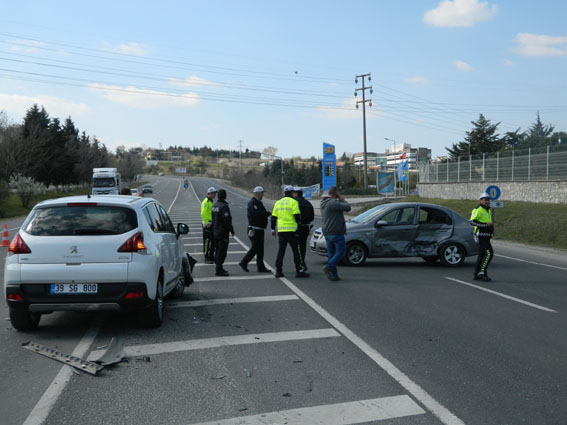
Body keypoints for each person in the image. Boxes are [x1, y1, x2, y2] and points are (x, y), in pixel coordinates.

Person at [271, 186, 309, 278]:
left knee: (281, 251)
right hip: (292, 230)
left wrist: (273, 229)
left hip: (281, 230)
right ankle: (299, 271)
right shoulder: (294, 202)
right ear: (292, 193)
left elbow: (273, 218)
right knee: (297, 251)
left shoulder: (278, 203)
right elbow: (296, 216)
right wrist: (299, 226)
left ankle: (278, 271)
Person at [320, 186, 351, 281]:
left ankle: (334, 275)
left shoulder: (323, 203)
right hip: (336, 232)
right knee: (341, 252)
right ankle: (329, 267)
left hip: (327, 232)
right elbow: (348, 208)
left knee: (331, 253)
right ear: (336, 194)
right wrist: (343, 200)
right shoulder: (333, 203)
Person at [239, 186, 272, 273]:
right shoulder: (252, 203)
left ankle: (260, 267)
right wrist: (267, 213)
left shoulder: (259, 203)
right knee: (255, 247)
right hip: (254, 229)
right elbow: (256, 214)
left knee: (260, 249)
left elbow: (261, 213)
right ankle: (244, 262)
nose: (263, 195)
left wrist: (266, 214)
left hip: (260, 229)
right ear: (258, 193)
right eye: (262, 193)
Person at [470, 192, 494, 282]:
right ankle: (482, 273)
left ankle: (476, 274)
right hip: (481, 235)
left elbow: (490, 223)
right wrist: (485, 225)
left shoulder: (488, 210)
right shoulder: (478, 209)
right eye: (485, 200)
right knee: (489, 253)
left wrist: (491, 232)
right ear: (481, 200)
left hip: (486, 236)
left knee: (482, 255)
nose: (487, 201)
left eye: (488, 200)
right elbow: (472, 222)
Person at [212, 189, 235, 276]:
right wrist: (232, 231)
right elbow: (227, 221)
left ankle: (219, 267)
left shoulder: (214, 206)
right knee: (222, 251)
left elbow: (213, 220)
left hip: (215, 232)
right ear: (225, 196)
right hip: (222, 233)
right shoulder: (224, 207)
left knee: (217, 250)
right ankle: (219, 269)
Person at [293, 186, 315, 272]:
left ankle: (299, 265)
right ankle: (302, 263)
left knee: (296, 248)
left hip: (296, 227)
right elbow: (312, 217)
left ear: (296, 193)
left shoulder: (294, 203)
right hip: (305, 228)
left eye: (294, 193)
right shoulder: (308, 203)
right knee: (302, 247)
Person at [201, 187, 217, 264]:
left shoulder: (210, 202)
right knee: (207, 242)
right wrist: (207, 222)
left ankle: (211, 256)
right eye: (213, 193)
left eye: (215, 193)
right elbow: (203, 213)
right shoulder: (206, 202)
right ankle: (206, 257)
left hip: (211, 223)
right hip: (207, 224)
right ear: (209, 193)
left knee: (212, 241)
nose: (215, 194)